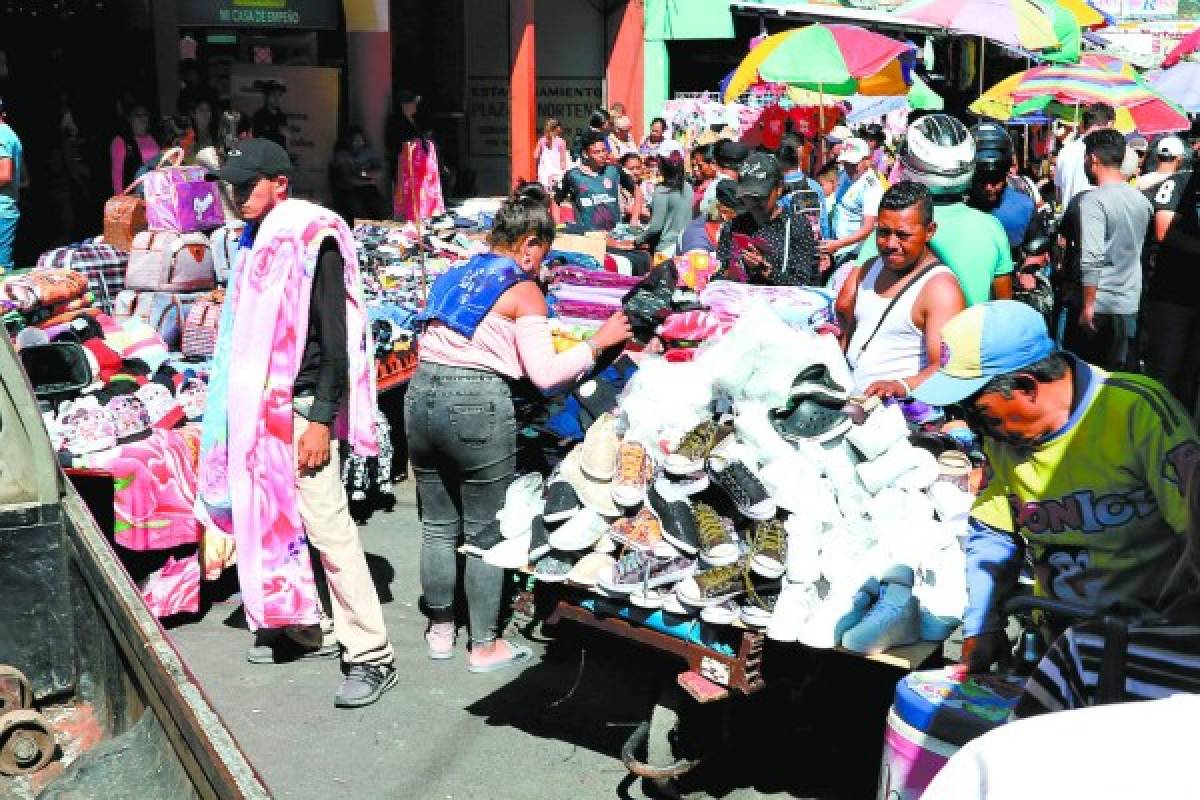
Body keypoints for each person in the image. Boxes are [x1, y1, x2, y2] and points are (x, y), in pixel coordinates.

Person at [197, 139, 396, 708]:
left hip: (302, 405)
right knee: (270, 522)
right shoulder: (253, 240)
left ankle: (371, 652)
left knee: (329, 528)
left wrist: (320, 419)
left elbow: (338, 343)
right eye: (232, 186)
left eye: (248, 185)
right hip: (258, 411)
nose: (237, 196)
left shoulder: (315, 238)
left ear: (279, 184)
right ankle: (305, 625)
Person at [406, 189, 633, 671]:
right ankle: (484, 645)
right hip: (476, 402)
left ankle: (441, 631)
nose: (540, 267)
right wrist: (599, 343)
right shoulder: (522, 289)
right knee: (489, 527)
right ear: (529, 243)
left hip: (419, 395)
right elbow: (546, 374)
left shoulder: (453, 275)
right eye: (542, 255)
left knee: (438, 525)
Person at [912, 300, 1200, 675]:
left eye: (977, 411)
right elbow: (994, 534)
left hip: (1147, 641)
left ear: (1027, 388)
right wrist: (983, 627)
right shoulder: (1003, 440)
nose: (974, 426)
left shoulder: (1136, 412)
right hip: (1061, 639)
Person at [856, 115, 1014, 307]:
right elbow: (1005, 304)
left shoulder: (894, 228)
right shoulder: (992, 227)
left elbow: (850, 297)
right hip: (969, 336)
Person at [836, 181, 965, 396]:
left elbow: (945, 369)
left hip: (899, 416)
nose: (890, 244)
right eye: (883, 232)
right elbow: (850, 330)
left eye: (903, 235)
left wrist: (900, 387)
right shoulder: (870, 267)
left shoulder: (940, 290)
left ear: (930, 231)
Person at [1062, 129, 1152, 371]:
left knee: (1090, 384)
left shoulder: (1093, 201)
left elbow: (1092, 257)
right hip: (1129, 306)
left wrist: (1088, 305)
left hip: (1099, 309)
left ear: (1093, 159)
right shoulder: (1142, 201)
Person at [1140, 135, 1200, 408]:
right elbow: (1163, 229)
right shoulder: (1178, 183)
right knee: (1167, 371)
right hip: (1172, 294)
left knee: (1189, 377)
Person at [715, 152, 819, 286]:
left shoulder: (795, 226)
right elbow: (718, 276)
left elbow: (802, 282)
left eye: (759, 198)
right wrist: (731, 272)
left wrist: (765, 270)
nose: (752, 204)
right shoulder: (733, 227)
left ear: (779, 188)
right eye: (747, 197)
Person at [967, 124, 1037, 252]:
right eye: (981, 178)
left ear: (1006, 174)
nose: (988, 187)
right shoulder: (955, 208)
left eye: (995, 179)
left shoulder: (1024, 207)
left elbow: (1038, 249)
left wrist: (1029, 266)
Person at [823, 137, 883, 263]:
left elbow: (868, 227)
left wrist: (838, 244)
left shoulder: (871, 188)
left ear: (867, 160)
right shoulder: (846, 175)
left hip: (855, 255)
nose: (849, 168)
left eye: (853, 164)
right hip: (839, 249)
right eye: (846, 163)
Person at [391, 89, 446, 223]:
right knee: (407, 191)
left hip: (420, 164)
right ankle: (407, 216)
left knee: (422, 189)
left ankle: (423, 213)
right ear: (404, 105)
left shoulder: (417, 119)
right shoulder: (396, 121)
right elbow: (394, 142)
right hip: (405, 163)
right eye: (412, 103)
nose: (415, 106)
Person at [1055, 102, 1115, 209]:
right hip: (1095, 218)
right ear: (1110, 124)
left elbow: (1058, 195)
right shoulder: (1107, 152)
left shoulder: (1065, 151)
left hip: (1069, 218)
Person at [634, 152, 692, 258]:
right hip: (686, 246)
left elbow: (656, 226)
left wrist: (638, 240)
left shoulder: (662, 191)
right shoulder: (688, 187)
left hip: (666, 249)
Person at [330, 126, 386, 223]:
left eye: (360, 140)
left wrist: (363, 174)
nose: (358, 143)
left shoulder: (368, 153)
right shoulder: (341, 155)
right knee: (358, 212)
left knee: (379, 208)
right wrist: (369, 180)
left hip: (367, 189)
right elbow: (349, 179)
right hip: (348, 190)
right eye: (355, 140)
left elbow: (380, 172)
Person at [110, 103, 156, 194]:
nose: (142, 118)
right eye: (137, 115)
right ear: (130, 119)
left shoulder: (153, 137)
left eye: (145, 114)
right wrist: (120, 200)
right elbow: (117, 175)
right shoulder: (121, 140)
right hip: (135, 195)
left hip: (156, 191)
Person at [0, 98, 24, 268]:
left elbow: (6, 174)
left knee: (1, 268)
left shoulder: (1, 134)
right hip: (7, 210)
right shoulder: (10, 134)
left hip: (1, 211)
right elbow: (24, 178)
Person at [251, 80, 288, 150]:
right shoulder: (259, 115)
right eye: (273, 95)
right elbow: (257, 139)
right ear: (266, 96)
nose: (277, 99)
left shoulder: (282, 116)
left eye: (279, 95)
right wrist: (277, 130)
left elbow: (283, 141)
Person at [534, 117, 567, 191]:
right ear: (557, 128)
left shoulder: (542, 140)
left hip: (544, 173)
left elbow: (535, 155)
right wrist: (564, 173)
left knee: (544, 195)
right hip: (556, 173)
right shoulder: (561, 142)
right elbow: (563, 160)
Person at [690, 144, 717, 214]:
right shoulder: (695, 186)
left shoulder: (717, 189)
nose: (695, 169)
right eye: (693, 165)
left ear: (713, 164)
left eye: (699, 165)